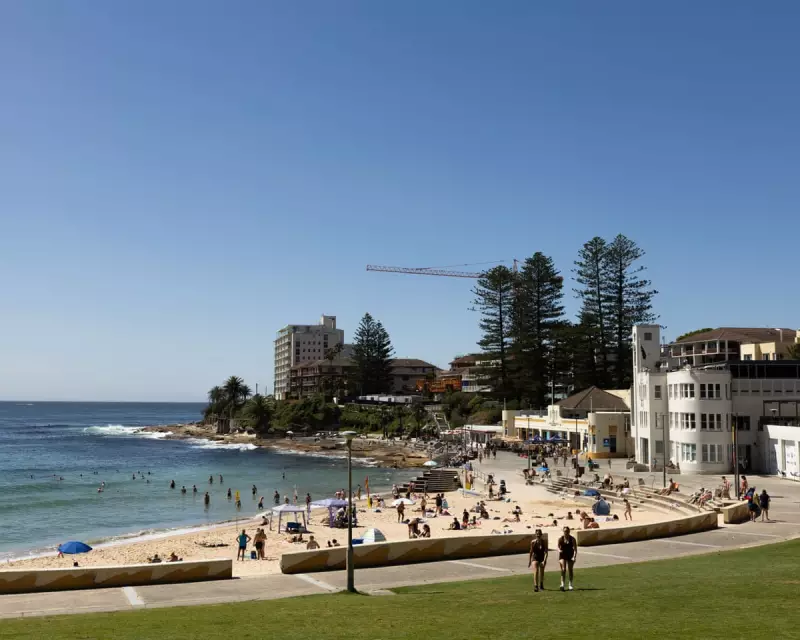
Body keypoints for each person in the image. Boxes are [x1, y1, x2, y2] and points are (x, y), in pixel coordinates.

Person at [557, 526, 577, 591]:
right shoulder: (560, 539)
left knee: (570, 569)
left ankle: (570, 585)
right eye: (565, 531)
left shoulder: (572, 539)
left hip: (570, 555)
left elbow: (575, 550)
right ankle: (562, 584)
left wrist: (574, 557)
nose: (566, 532)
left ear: (569, 531)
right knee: (563, 569)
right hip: (562, 555)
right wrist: (559, 550)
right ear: (563, 531)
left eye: (567, 531)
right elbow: (558, 547)